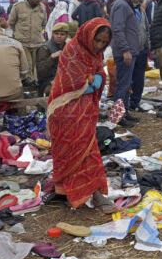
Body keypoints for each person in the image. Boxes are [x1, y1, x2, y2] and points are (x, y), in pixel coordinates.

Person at [47, 18, 113, 209]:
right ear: (87, 35)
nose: (99, 45)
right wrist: (91, 83)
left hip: (85, 110)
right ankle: (66, 191)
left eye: (103, 42)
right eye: (97, 40)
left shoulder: (96, 54)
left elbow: (99, 73)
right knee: (69, 152)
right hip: (65, 110)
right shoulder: (72, 52)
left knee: (87, 151)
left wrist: (98, 78)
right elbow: (72, 83)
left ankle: (93, 192)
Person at [110, 0, 142, 126]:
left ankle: (125, 112)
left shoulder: (124, 4)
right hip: (125, 52)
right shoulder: (121, 5)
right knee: (123, 85)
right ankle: (119, 117)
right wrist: (125, 50)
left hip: (130, 50)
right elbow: (117, 29)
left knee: (126, 83)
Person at [9, 0, 47, 82]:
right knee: (28, 66)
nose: (39, 0)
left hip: (37, 42)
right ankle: (29, 86)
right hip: (23, 43)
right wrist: (17, 34)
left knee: (36, 66)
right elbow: (11, 23)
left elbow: (44, 24)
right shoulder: (18, 7)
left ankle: (35, 84)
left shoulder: (42, 7)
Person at [129, 0, 151, 111]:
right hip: (130, 51)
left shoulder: (142, 11)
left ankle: (135, 102)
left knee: (139, 78)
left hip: (142, 50)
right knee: (128, 78)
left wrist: (148, 45)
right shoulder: (126, 11)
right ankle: (128, 102)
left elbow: (146, 29)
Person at [36, 22, 68, 96]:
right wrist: (51, 57)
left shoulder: (68, 47)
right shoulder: (45, 48)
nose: (59, 36)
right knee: (54, 89)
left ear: (66, 35)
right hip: (47, 81)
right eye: (56, 33)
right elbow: (40, 72)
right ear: (53, 34)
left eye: (62, 34)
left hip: (63, 79)